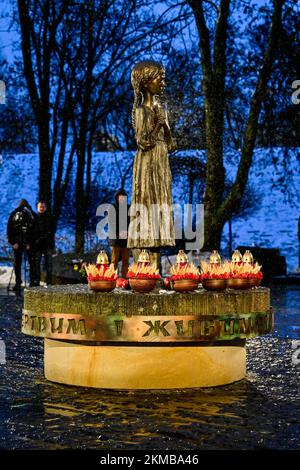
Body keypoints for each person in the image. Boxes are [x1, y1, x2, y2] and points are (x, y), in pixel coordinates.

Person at [127, 61, 176, 266]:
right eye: (159, 79)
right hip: (147, 166)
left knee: (159, 209)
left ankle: (155, 269)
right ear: (146, 83)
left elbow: (171, 145)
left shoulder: (158, 109)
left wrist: (165, 126)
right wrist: (158, 123)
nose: (163, 83)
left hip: (160, 165)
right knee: (146, 208)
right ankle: (143, 268)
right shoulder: (141, 111)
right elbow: (144, 142)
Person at [7, 199, 37, 290]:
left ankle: (18, 283)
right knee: (31, 263)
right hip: (26, 243)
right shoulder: (32, 214)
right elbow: (36, 230)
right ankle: (31, 283)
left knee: (18, 263)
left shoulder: (14, 214)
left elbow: (9, 229)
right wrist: (30, 243)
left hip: (18, 243)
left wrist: (13, 242)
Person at [109, 189, 130, 279]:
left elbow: (130, 222)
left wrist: (129, 232)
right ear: (116, 198)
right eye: (120, 197)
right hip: (116, 239)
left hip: (126, 239)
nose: (122, 199)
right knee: (114, 260)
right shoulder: (112, 208)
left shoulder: (128, 208)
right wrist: (118, 233)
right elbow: (111, 222)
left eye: (123, 197)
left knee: (126, 260)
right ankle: (112, 278)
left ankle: (125, 278)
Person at [35, 200, 54, 285]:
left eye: (43, 207)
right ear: (37, 208)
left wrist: (44, 236)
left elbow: (51, 231)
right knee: (36, 265)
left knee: (48, 265)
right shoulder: (34, 218)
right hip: (37, 245)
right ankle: (37, 281)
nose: (41, 208)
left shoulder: (50, 217)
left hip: (47, 244)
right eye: (40, 207)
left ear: (45, 208)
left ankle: (49, 282)